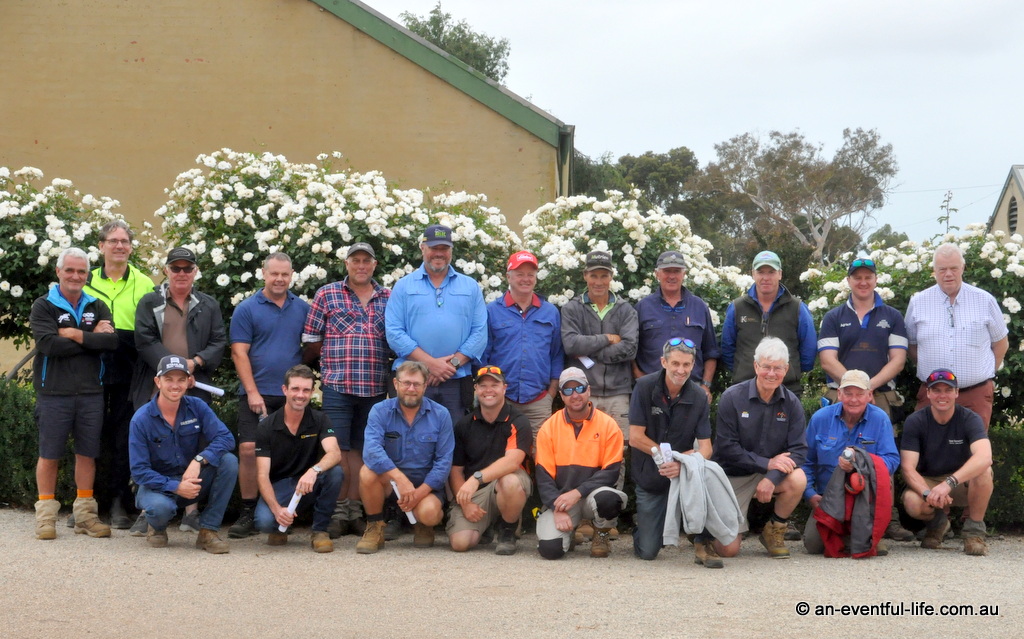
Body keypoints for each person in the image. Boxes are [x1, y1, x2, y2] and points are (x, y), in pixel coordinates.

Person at [132, 246, 227, 534]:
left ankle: (191, 513)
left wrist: (194, 364)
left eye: (188, 268)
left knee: (195, 444)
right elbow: (144, 340)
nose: (182, 273)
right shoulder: (149, 302)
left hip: (194, 384)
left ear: (195, 271)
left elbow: (219, 341)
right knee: (150, 444)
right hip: (157, 381)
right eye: (176, 268)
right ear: (166, 271)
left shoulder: (208, 304)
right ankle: (148, 509)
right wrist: (171, 368)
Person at [817, 256, 913, 542]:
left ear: (875, 279)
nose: (862, 281)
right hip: (839, 394)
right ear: (849, 280)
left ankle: (890, 517)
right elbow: (826, 359)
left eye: (867, 276)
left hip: (880, 395)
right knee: (833, 453)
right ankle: (831, 511)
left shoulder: (892, 316)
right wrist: (853, 389)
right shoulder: (834, 317)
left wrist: (866, 388)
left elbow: (898, 360)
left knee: (884, 455)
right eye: (856, 276)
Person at [303, 242, 391, 537]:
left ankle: (355, 510)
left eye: (367, 260)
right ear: (347, 263)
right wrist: (327, 369)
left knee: (362, 452)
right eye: (356, 260)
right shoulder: (327, 294)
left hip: (374, 387)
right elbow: (312, 340)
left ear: (375, 265)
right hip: (338, 386)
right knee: (337, 451)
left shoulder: (387, 297)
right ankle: (338, 512)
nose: (361, 265)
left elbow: (393, 341)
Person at [30, 247, 118, 540]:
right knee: (49, 455)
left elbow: (112, 343)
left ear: (87, 274)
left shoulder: (98, 304)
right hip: (54, 392)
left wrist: (74, 333)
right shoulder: (43, 306)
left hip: (92, 392)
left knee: (87, 455)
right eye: (70, 270)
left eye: (81, 271)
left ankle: (85, 516)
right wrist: (91, 336)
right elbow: (49, 346)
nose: (75, 276)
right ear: (58, 272)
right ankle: (45, 517)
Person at [227, 253, 310, 539]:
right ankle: (248, 510)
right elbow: (239, 353)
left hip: (292, 396)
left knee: (292, 454)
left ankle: (290, 507)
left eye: (285, 274)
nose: (279, 279)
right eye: (274, 273)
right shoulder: (247, 309)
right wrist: (252, 391)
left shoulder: (302, 308)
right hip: (257, 394)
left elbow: (312, 348)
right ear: (263, 273)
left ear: (292, 275)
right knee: (249, 451)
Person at [84, 220, 154, 529]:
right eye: (113, 240)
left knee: (124, 435)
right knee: (92, 433)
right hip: (92, 365)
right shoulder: (84, 281)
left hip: (130, 366)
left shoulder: (143, 282)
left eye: (125, 240)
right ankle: (88, 501)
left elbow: (149, 330)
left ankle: (117, 501)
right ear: (101, 246)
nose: (119, 246)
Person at [128, 355, 238, 553]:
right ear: (157, 381)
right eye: (168, 379)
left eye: (180, 379)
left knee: (228, 461)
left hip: (191, 480)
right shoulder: (141, 419)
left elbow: (226, 438)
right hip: (157, 487)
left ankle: (208, 531)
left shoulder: (197, 406)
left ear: (188, 382)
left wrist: (198, 460)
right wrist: (176, 486)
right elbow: (139, 471)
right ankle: (157, 527)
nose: (175, 385)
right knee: (161, 508)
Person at [713, 337, 807, 559]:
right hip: (732, 476)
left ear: (786, 370)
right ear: (756, 366)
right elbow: (726, 447)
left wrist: (770, 477)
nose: (771, 373)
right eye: (766, 367)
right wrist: (766, 463)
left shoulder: (791, 403)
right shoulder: (732, 397)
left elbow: (799, 450)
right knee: (728, 551)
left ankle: (773, 530)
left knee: (798, 478)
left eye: (778, 368)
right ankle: (709, 529)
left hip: (768, 474)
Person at [385, 224, 487, 424]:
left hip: (456, 380)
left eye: (444, 249)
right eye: (433, 248)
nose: (439, 254)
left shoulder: (470, 286)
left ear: (451, 251)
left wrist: (451, 364)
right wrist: (429, 365)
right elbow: (394, 332)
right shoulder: (404, 286)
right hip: (412, 380)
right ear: (423, 248)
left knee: (454, 442)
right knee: (410, 440)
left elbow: (480, 333)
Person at [629, 337, 718, 565]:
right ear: (663, 362)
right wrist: (663, 458)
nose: (681, 370)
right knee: (648, 551)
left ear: (693, 365)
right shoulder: (644, 387)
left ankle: (703, 539)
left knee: (710, 472)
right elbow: (636, 437)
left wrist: (682, 464)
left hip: (684, 475)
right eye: (676, 363)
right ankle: (643, 528)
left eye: (686, 365)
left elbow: (706, 448)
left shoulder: (699, 396)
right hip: (651, 478)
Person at [905, 243, 1009, 429]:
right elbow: (912, 346)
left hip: (974, 395)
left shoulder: (985, 300)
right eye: (942, 269)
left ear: (962, 268)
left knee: (974, 453)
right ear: (934, 271)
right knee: (928, 451)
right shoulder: (918, 302)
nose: (948, 274)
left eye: (954, 268)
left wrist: (983, 373)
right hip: (933, 395)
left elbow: (1001, 343)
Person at [355, 361, 454, 554]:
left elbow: (444, 462)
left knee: (431, 514)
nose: (411, 389)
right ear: (396, 383)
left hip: (425, 486)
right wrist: (400, 479)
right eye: (406, 383)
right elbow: (371, 451)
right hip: (390, 483)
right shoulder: (380, 411)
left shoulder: (441, 415)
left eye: (417, 384)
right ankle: (375, 526)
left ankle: (423, 525)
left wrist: (419, 493)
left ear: (425, 386)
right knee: (367, 472)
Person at [800, 370, 900, 555]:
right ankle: (852, 534)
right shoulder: (820, 418)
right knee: (813, 546)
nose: (854, 399)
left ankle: (866, 532)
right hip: (828, 497)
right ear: (839, 394)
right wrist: (810, 494)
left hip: (865, 497)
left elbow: (892, 460)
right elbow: (806, 462)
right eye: (848, 393)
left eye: (860, 394)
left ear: (869, 395)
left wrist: (860, 463)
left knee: (865, 544)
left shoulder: (880, 419)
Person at [535, 367, 628, 560]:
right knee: (550, 550)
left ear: (588, 390)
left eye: (579, 388)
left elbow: (610, 472)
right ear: (561, 395)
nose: (574, 394)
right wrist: (556, 508)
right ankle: (568, 532)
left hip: (592, 497)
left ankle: (601, 533)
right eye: (568, 390)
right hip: (562, 501)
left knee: (610, 500)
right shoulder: (548, 428)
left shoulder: (608, 425)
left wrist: (577, 493)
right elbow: (543, 477)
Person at [900, 369, 994, 556]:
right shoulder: (915, 421)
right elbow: (907, 468)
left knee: (984, 471)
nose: (942, 395)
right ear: (928, 393)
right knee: (911, 502)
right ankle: (938, 525)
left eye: (948, 390)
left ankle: (974, 533)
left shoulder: (970, 418)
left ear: (956, 393)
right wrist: (928, 493)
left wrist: (948, 483)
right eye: (936, 390)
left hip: (959, 482)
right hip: (929, 481)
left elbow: (985, 457)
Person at [253, 365, 343, 553]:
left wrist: (313, 471)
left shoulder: (320, 419)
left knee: (335, 472)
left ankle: (320, 531)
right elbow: (262, 475)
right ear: (285, 390)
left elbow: (335, 453)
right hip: (280, 486)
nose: (300, 395)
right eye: (295, 389)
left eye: (306, 390)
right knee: (264, 523)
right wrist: (277, 509)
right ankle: (282, 523)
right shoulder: (266, 426)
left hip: (310, 482)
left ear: (311, 392)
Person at [447, 365, 532, 555]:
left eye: (494, 384)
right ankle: (486, 526)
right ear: (475, 389)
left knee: (509, 481)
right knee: (460, 544)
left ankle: (507, 529)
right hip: (475, 493)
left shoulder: (518, 420)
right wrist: (466, 504)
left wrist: (475, 478)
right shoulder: (464, 424)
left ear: (504, 388)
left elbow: (513, 461)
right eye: (483, 385)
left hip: (504, 486)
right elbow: (455, 470)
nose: (488, 390)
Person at [483, 250, 563, 438]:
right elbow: (483, 355)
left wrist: (551, 392)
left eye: (530, 274)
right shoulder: (491, 311)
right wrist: (489, 391)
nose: (525, 279)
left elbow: (557, 354)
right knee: (498, 454)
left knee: (541, 455)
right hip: (500, 399)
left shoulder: (550, 312)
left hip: (539, 400)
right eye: (520, 274)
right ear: (508, 277)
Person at [561, 250, 638, 439]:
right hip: (582, 393)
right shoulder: (572, 308)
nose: (598, 281)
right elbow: (571, 345)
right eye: (593, 275)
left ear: (611, 277)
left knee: (619, 449)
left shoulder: (626, 310)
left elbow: (630, 349)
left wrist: (591, 352)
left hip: (618, 393)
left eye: (604, 276)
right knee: (583, 447)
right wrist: (607, 338)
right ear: (585, 275)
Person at [720, 250, 817, 395]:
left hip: (787, 389)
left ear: (780, 274)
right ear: (753, 274)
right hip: (744, 388)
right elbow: (727, 348)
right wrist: (743, 369)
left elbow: (808, 351)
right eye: (761, 272)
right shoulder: (736, 307)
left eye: (771, 272)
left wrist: (791, 372)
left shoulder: (797, 308)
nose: (766, 277)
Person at [633, 250, 720, 402]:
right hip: (651, 392)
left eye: (676, 271)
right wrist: (641, 381)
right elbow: (631, 351)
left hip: (692, 390)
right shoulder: (642, 307)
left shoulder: (699, 307)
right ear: (657, 274)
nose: (672, 276)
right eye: (667, 271)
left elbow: (711, 351)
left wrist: (705, 385)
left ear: (684, 274)